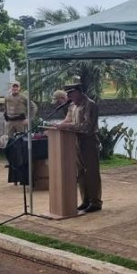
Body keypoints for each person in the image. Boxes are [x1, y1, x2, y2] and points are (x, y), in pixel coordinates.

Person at [58, 84, 102, 213]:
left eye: (70, 93)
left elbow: (87, 126)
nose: (68, 96)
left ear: (78, 92)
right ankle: (85, 200)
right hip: (76, 140)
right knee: (81, 172)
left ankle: (95, 201)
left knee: (91, 172)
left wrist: (68, 126)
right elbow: (68, 120)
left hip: (89, 141)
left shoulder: (90, 105)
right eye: (67, 94)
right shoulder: (73, 106)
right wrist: (57, 126)